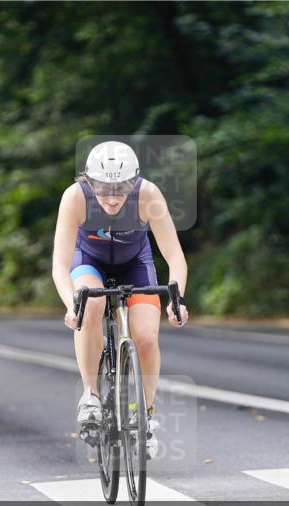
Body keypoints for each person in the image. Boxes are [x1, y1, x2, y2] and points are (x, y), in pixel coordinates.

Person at [51, 141, 189, 457]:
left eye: (121, 188)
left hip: (135, 263)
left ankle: (145, 417)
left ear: (134, 182)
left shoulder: (148, 195)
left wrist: (176, 298)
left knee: (146, 337)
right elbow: (59, 263)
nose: (112, 197)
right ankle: (90, 395)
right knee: (91, 304)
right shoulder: (75, 197)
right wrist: (71, 304)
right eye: (103, 188)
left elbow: (175, 257)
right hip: (89, 260)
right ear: (88, 181)